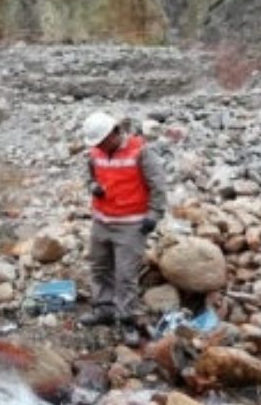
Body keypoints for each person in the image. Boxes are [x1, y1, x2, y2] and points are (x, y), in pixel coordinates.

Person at [79, 111, 167, 347]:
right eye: (95, 143)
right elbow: (88, 176)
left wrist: (154, 214)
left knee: (126, 276)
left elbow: (158, 184)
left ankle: (128, 318)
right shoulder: (96, 151)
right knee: (99, 266)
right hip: (102, 221)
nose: (99, 146)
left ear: (115, 132)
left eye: (102, 141)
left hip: (131, 225)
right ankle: (104, 309)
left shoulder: (141, 151)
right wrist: (93, 186)